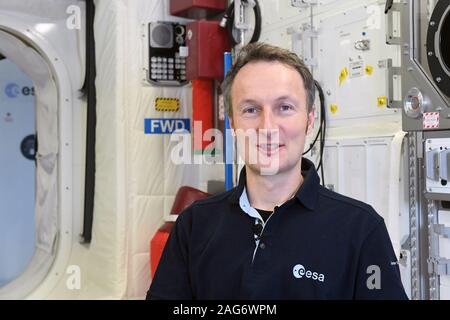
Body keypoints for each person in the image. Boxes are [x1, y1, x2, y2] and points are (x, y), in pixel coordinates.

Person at [147, 42, 408, 299]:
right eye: (251, 109)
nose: (267, 127)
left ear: (309, 119)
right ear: (232, 123)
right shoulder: (194, 226)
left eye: (285, 107)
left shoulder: (361, 229)